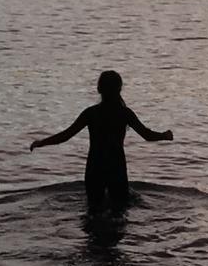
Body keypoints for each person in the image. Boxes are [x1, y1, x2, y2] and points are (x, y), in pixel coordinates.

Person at [29, 70, 173, 207]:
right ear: (119, 89)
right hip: (116, 166)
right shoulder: (124, 113)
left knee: (93, 210)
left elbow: (66, 135)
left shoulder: (91, 113)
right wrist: (164, 135)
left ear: (99, 89)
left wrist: (41, 142)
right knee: (119, 211)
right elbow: (146, 135)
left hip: (95, 166)